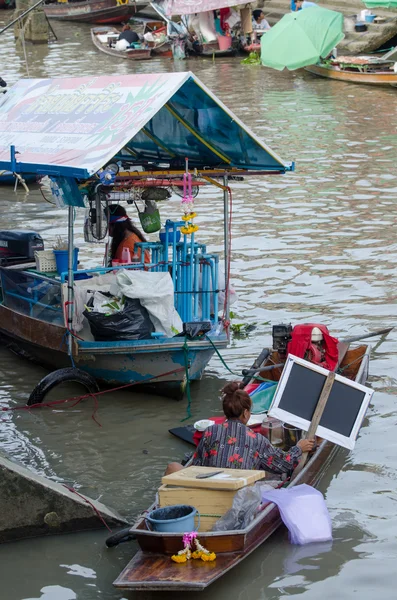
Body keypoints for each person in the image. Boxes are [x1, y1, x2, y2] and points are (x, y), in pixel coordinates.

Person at [166, 382, 314, 477]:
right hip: (238, 496)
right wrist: (298, 448)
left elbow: (198, 464)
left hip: (210, 486)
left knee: (173, 467)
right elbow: (284, 464)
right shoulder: (256, 439)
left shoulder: (210, 432)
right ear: (245, 413)